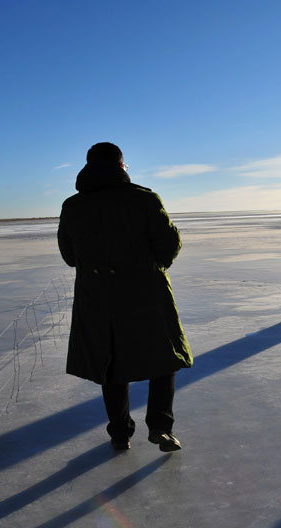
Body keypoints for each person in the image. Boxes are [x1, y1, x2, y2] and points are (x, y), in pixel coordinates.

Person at [58, 142, 193, 451]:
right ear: (122, 166)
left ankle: (120, 433)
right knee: (163, 359)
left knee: (110, 363)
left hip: (97, 298)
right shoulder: (144, 199)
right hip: (146, 293)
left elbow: (69, 255)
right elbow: (169, 244)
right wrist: (152, 266)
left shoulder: (73, 206)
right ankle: (160, 426)